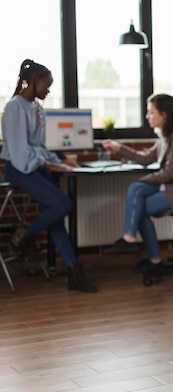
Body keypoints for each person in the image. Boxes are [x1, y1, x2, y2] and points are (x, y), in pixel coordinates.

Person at [0, 59, 96, 293]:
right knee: (63, 204)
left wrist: (58, 163)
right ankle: (24, 237)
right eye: (47, 85)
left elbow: (41, 146)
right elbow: (21, 152)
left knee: (55, 215)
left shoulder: (37, 109)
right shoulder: (14, 108)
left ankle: (74, 272)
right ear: (35, 82)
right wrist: (47, 164)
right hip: (19, 168)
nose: (48, 90)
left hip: (36, 166)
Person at [102, 93, 173, 276]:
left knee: (138, 201)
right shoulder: (165, 136)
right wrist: (119, 149)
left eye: (151, 112)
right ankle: (135, 243)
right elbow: (146, 158)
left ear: (164, 115)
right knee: (136, 191)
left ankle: (140, 248)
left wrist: (143, 180)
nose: (147, 116)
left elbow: (171, 173)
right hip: (171, 187)